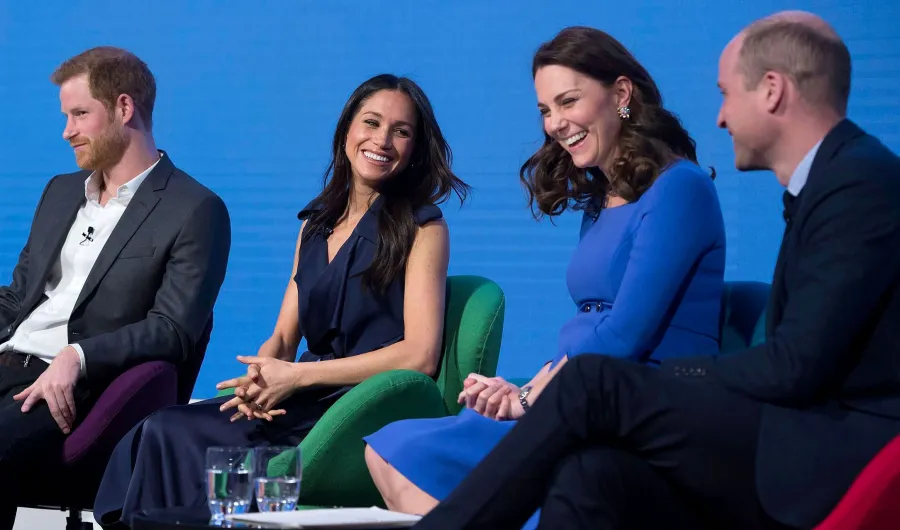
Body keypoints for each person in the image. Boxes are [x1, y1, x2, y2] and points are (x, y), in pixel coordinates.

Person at [410, 11, 900, 530]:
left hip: (827, 452)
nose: (720, 118)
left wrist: (680, 376)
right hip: (789, 432)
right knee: (591, 474)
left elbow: (796, 365)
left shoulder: (857, 185)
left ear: (773, 91)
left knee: (591, 381)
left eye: (726, 94)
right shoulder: (835, 181)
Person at [363, 26, 726, 524]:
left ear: (621, 94)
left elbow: (623, 336)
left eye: (567, 102)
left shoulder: (680, 188)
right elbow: (587, 333)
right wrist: (520, 389)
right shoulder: (601, 198)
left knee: (410, 455)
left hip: (640, 401)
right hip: (575, 392)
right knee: (391, 449)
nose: (555, 123)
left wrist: (529, 398)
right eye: (545, 110)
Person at [93, 73, 470, 528]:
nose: (382, 141)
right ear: (347, 130)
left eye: (401, 131)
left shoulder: (424, 227)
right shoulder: (315, 225)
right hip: (304, 394)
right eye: (371, 123)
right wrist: (261, 376)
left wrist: (296, 376)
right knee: (161, 427)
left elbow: (420, 356)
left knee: (183, 434)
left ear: (415, 148)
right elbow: (284, 338)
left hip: (360, 408)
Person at [0, 47, 231, 529]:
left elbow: (172, 330)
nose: (67, 131)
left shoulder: (195, 209)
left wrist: (78, 357)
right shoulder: (61, 190)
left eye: (80, 114)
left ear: (124, 107)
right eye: (66, 116)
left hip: (70, 387)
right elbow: (20, 297)